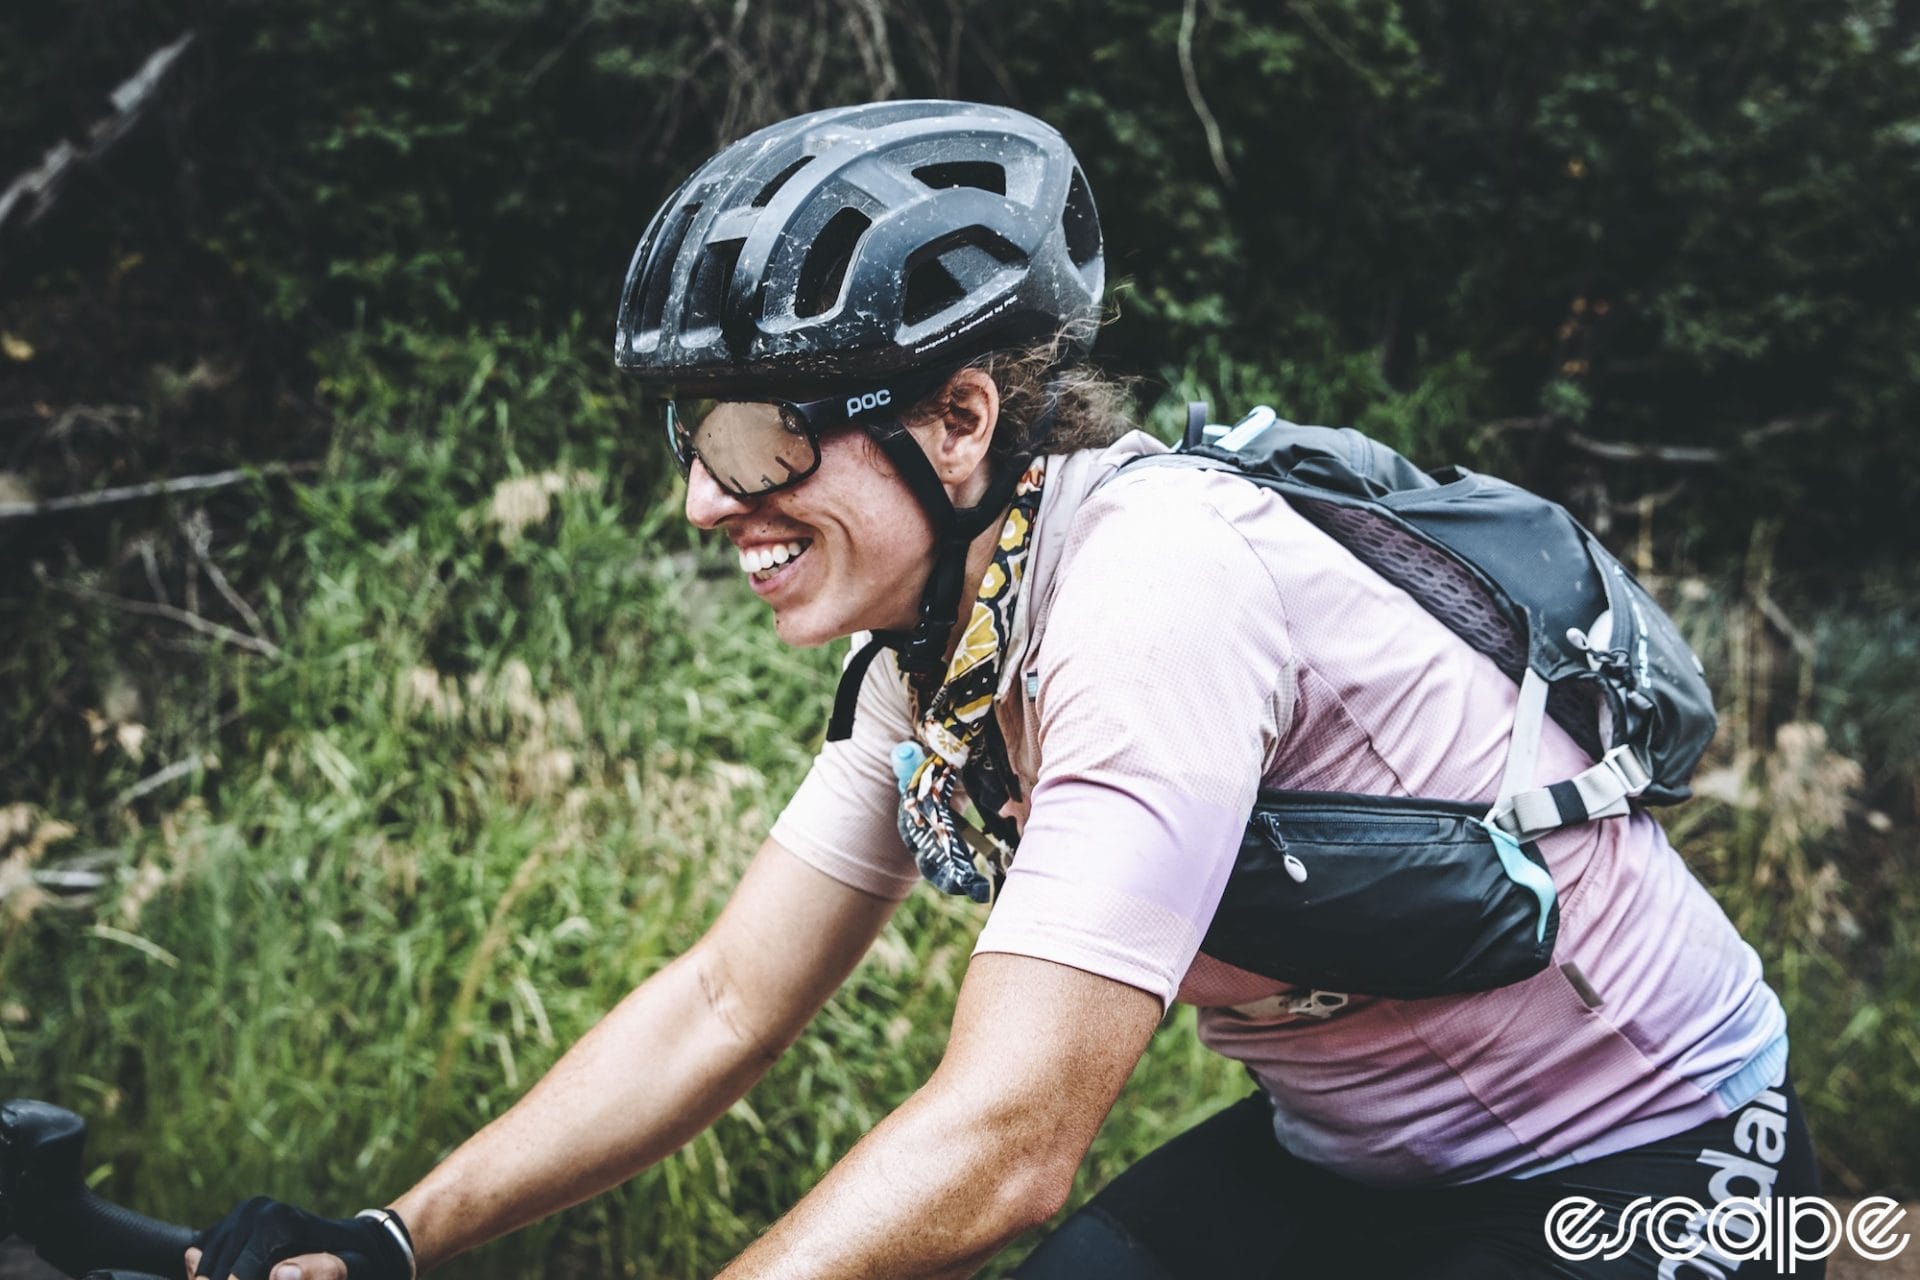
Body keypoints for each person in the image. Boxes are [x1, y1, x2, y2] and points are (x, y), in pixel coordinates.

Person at [186, 100, 1819, 1280]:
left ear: (960, 418)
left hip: (1648, 1157)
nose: (704, 500)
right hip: (1352, 1171)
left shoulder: (1151, 585)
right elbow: (724, 1002)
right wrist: (395, 1238)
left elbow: (1008, 1143)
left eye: (763, 438)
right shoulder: (938, 647)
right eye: (694, 440)